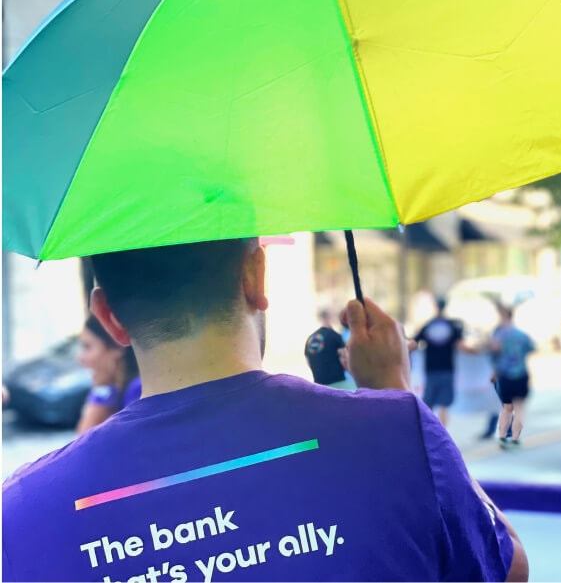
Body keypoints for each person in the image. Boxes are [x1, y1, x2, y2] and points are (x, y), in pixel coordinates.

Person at [2, 239, 527, 582]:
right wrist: (394, 394)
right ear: (256, 277)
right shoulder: (396, 433)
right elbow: (507, 569)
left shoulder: (20, 516)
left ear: (109, 317)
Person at [76, 314, 141, 434]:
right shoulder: (116, 391)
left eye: (87, 347)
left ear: (117, 347)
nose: (80, 358)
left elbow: (85, 443)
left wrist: (100, 395)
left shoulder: (138, 390)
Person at [413, 297, 466, 427]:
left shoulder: (428, 325)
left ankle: (429, 431)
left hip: (431, 369)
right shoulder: (453, 326)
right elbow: (462, 346)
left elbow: (414, 342)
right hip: (447, 369)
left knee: (429, 403)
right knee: (444, 404)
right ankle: (443, 433)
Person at [491, 306, 535, 449]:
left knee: (507, 408)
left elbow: (494, 350)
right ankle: (515, 439)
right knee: (520, 408)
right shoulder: (522, 335)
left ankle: (502, 436)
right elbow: (532, 348)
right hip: (521, 373)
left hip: (505, 375)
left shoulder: (500, 335)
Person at [304, 309, 355, 391]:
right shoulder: (334, 336)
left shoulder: (310, 339)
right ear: (329, 318)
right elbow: (345, 359)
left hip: (319, 386)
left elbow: (308, 362)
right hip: (339, 385)